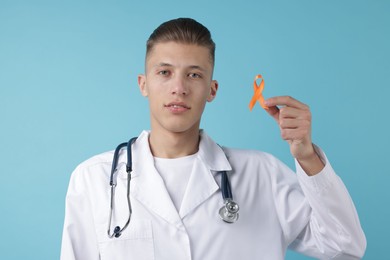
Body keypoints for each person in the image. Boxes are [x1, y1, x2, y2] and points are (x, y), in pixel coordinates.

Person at [60, 18, 366, 259]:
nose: (178, 88)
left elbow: (345, 247)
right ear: (144, 84)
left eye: (194, 75)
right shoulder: (95, 179)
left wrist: (307, 156)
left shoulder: (262, 174)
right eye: (164, 72)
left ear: (212, 90)